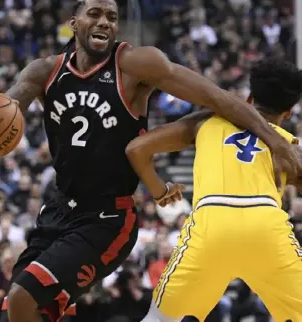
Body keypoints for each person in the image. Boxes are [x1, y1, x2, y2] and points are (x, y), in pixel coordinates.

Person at [0, 0, 300, 322]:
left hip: (107, 216)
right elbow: (8, 104)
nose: (105, 22)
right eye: (94, 14)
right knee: (18, 310)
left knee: (24, 298)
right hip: (59, 208)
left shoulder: (136, 64)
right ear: (74, 22)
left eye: (112, 17)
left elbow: (218, 98)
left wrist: (276, 141)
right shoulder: (43, 71)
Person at [126, 58, 302, 321]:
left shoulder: (207, 122)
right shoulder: (287, 148)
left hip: (212, 223)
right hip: (266, 226)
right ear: (288, 112)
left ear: (249, 97)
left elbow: (136, 149)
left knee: (159, 318)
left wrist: (159, 190)